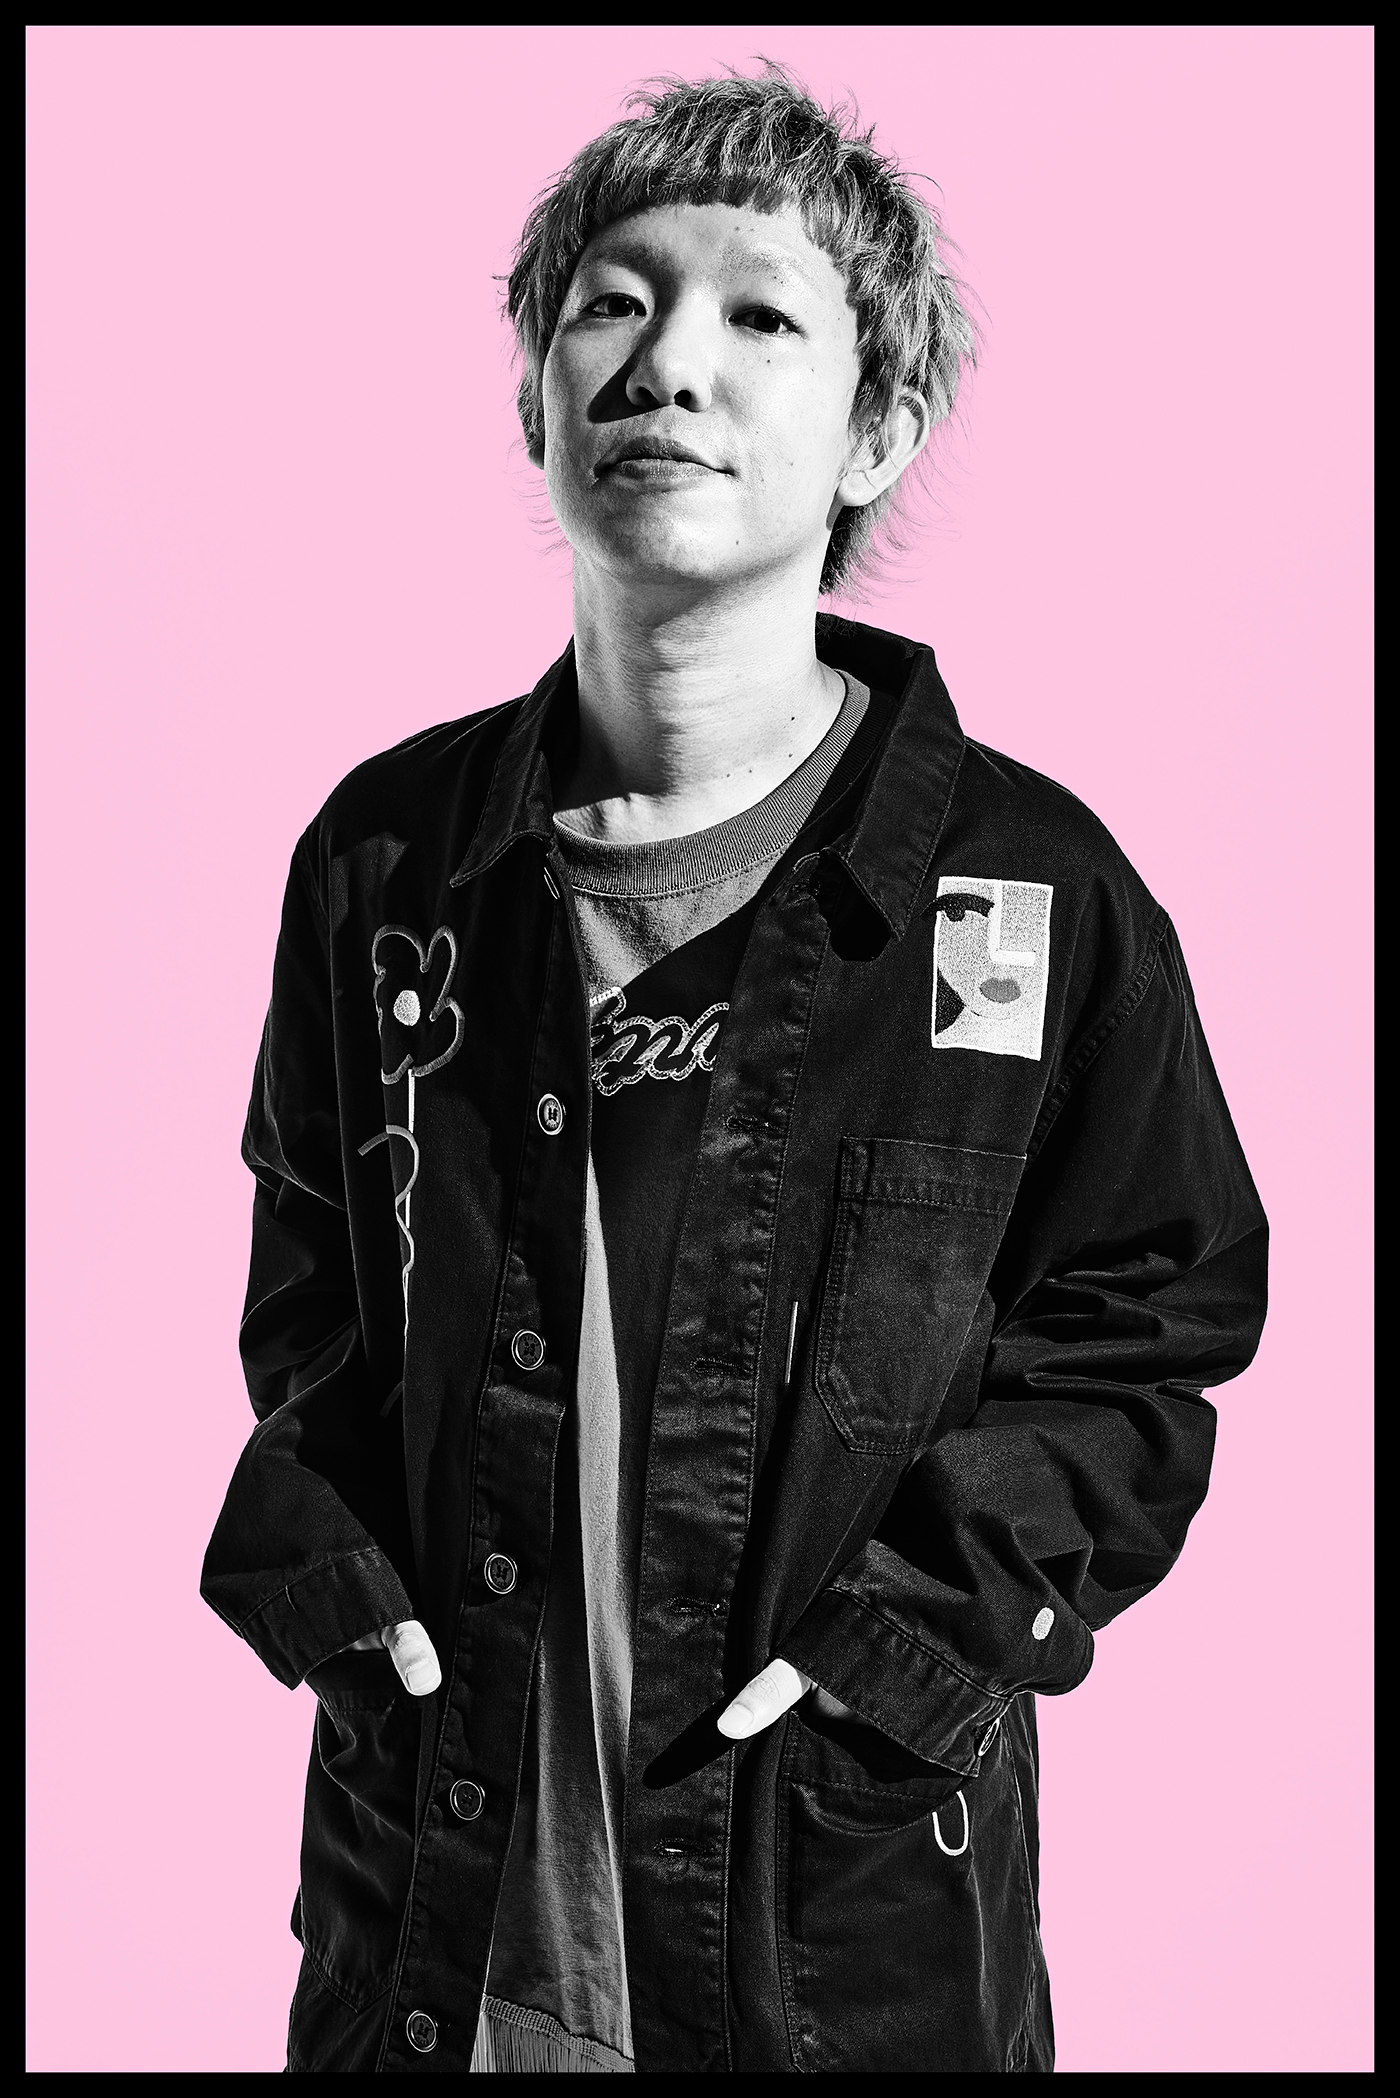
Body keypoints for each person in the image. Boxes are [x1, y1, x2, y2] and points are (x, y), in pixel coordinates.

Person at [201, 66, 1268, 2075]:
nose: (670, 362)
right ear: (533, 396)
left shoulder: (1026, 892)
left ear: (879, 427)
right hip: (436, 1930)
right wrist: (333, 1576)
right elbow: (317, 1281)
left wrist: (910, 1638)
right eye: (611, 303)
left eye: (760, 314)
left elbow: (1150, 1324)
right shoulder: (388, 860)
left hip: (838, 1945)